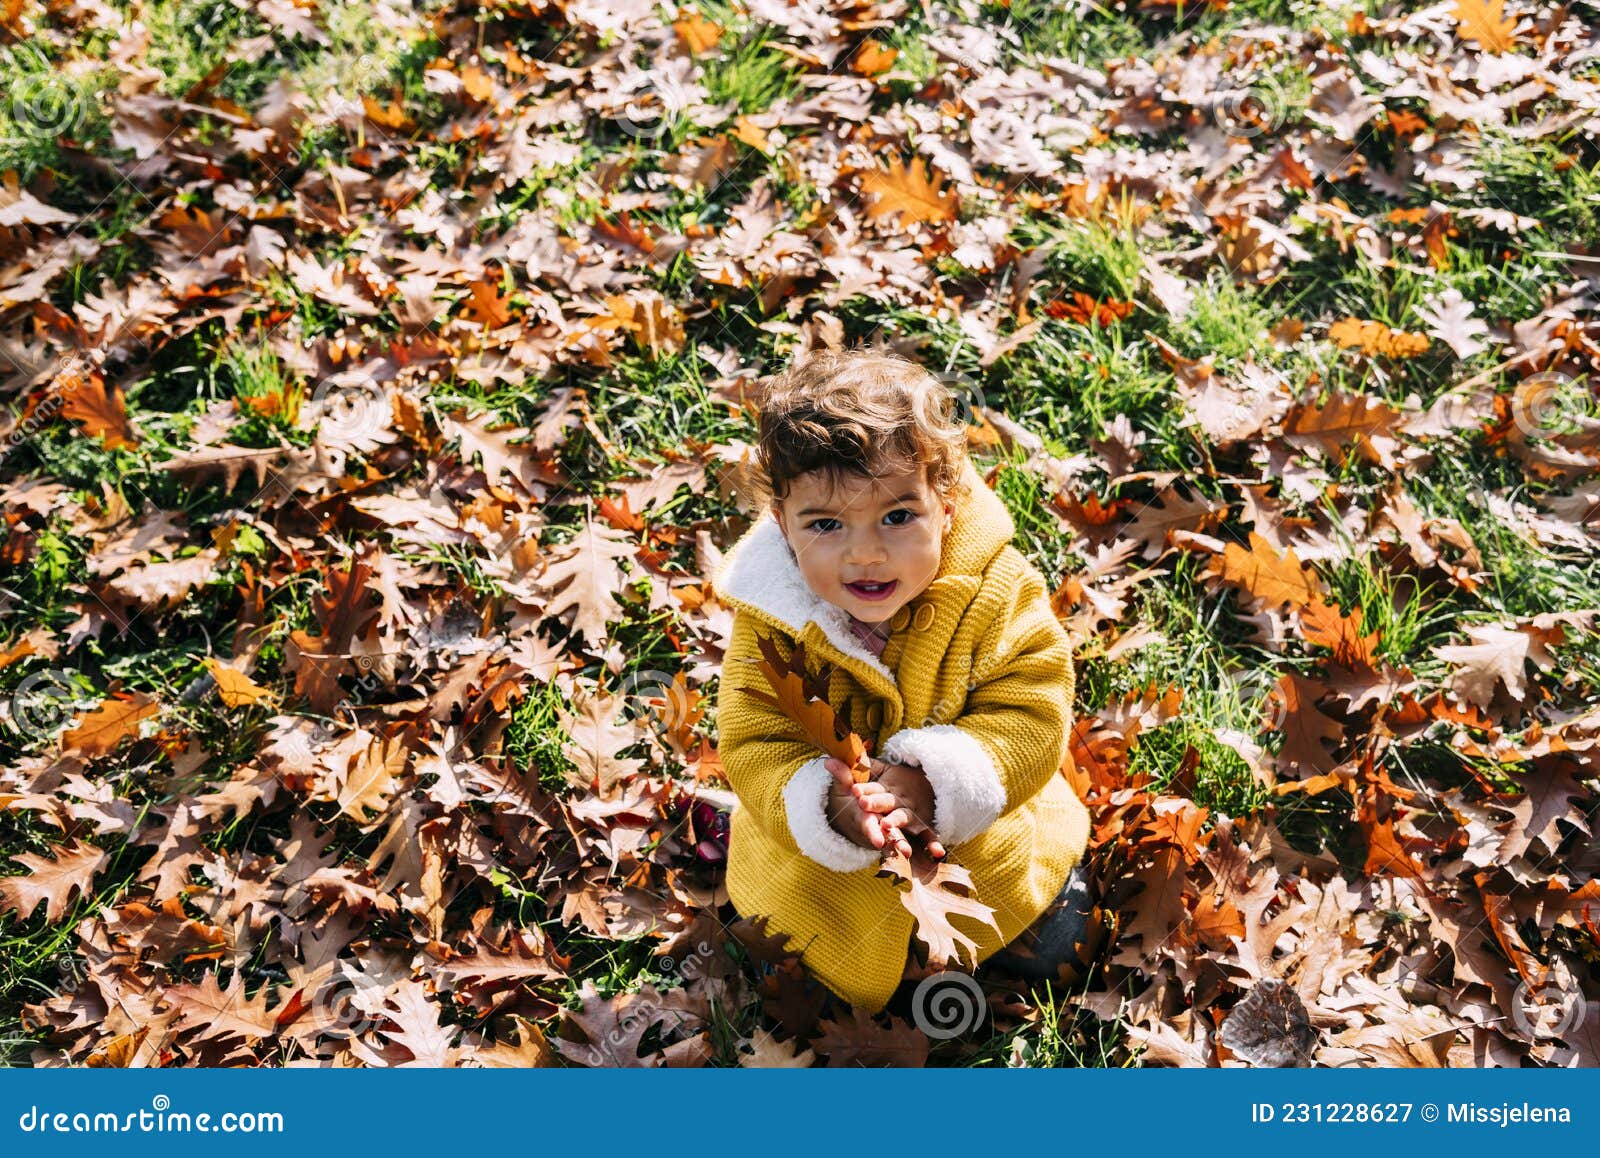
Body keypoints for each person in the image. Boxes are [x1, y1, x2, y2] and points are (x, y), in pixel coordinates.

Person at [711, 343, 1093, 1016]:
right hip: (832, 872)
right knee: (788, 978)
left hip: (980, 842)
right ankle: (849, 962)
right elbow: (755, 744)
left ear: (944, 504)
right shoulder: (772, 619)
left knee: (1060, 950)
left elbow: (1031, 709)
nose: (865, 553)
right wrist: (830, 811)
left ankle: (1013, 925)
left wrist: (936, 781)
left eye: (897, 516)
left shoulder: (994, 589)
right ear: (782, 523)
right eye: (825, 525)